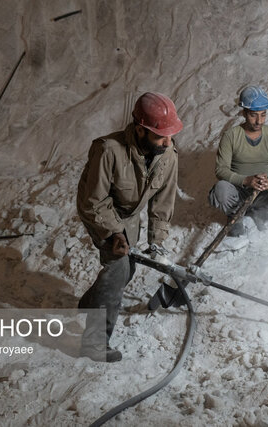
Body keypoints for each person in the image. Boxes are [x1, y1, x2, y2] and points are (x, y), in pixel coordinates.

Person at [76, 92, 182, 362]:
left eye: (170, 135)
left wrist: (156, 241)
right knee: (119, 266)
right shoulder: (108, 150)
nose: (168, 142)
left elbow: (162, 203)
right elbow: (94, 200)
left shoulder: (168, 154)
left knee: (128, 267)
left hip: (129, 215)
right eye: (161, 136)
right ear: (140, 130)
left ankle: (88, 305)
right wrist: (113, 233)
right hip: (99, 209)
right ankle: (94, 342)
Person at [209, 85, 268, 236]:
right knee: (220, 189)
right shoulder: (231, 136)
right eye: (253, 115)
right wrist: (246, 180)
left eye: (263, 115)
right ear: (244, 113)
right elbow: (221, 170)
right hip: (238, 190)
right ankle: (236, 217)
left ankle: (258, 213)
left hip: (262, 191)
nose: (258, 121)